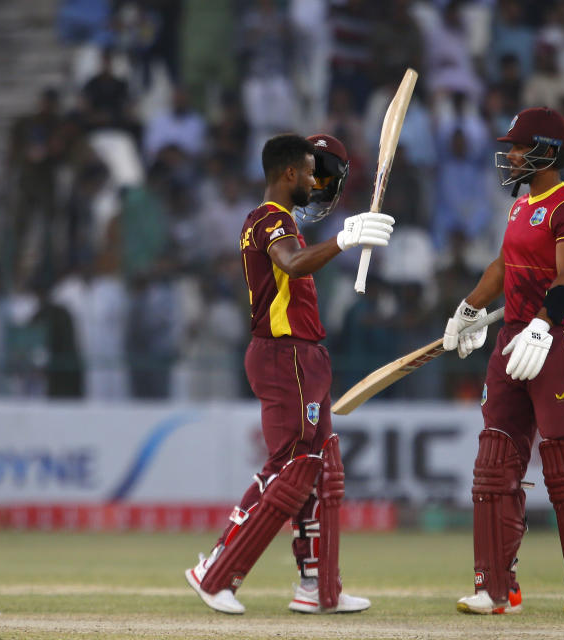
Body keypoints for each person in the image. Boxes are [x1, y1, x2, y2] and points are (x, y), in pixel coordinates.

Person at [185, 133, 393, 615]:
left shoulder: (277, 220)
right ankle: (216, 570)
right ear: (287, 174)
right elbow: (293, 265)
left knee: (320, 470)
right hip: (286, 357)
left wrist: (343, 238)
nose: (315, 179)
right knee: (292, 467)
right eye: (308, 169)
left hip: (300, 355)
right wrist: (344, 239)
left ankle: (318, 587)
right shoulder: (269, 220)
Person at [445, 107, 564, 615]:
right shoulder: (521, 206)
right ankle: (495, 588)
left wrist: (542, 323)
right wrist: (469, 307)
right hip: (512, 340)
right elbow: (503, 265)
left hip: (555, 341)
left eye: (519, 147)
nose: (511, 155)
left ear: (547, 152)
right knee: (494, 460)